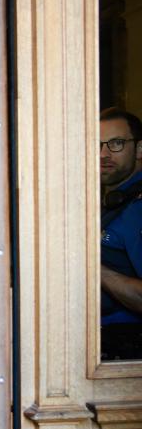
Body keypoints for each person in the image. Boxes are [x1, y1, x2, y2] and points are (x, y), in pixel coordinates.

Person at [99, 107, 142, 359]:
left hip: (127, 351)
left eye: (116, 143)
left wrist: (93, 269)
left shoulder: (137, 208)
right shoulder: (115, 202)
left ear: (139, 149)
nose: (103, 154)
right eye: (97, 144)